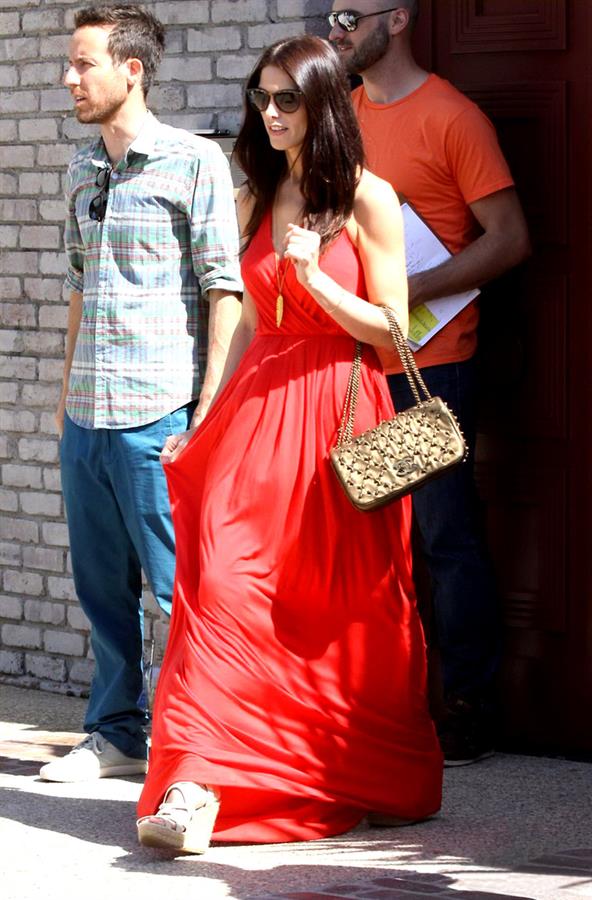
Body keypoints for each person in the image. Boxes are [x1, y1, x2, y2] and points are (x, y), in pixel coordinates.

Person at [136, 34, 442, 854]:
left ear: (324, 104)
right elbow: (240, 330)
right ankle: (197, 786)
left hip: (341, 412)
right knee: (223, 587)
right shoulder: (253, 197)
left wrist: (317, 280)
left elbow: (392, 334)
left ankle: (346, 767)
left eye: (287, 100)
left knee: (340, 611)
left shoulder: (371, 199)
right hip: (256, 419)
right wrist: (206, 420)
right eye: (262, 99)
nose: (270, 115)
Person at [39, 4, 242, 783]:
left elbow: (224, 291)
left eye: (83, 63)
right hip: (88, 416)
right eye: (69, 63)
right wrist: (63, 409)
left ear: (132, 69)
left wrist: (204, 414)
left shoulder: (192, 162)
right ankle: (118, 734)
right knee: (101, 592)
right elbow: (80, 291)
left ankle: (201, 747)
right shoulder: (81, 169)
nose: (69, 78)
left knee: (176, 590)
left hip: (158, 415)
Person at [328, 1, 531, 764]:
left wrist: (410, 292)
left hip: (427, 366)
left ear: (400, 18)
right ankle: (386, 702)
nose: (336, 28)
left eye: (350, 14)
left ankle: (467, 705)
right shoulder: (339, 113)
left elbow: (510, 240)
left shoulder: (452, 117)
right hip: (351, 365)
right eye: (329, 14)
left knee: (440, 537)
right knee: (374, 542)